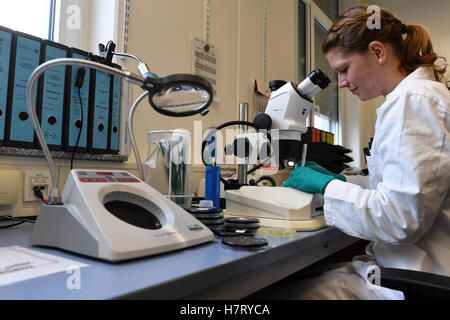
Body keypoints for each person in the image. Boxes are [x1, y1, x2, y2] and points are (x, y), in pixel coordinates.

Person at [278, 5, 450, 300]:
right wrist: (346, 183)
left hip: (416, 278)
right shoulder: (413, 99)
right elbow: (399, 190)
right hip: (402, 268)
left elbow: (399, 219)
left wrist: (327, 186)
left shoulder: (413, 102)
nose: (342, 82)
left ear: (378, 52)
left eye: (344, 69)